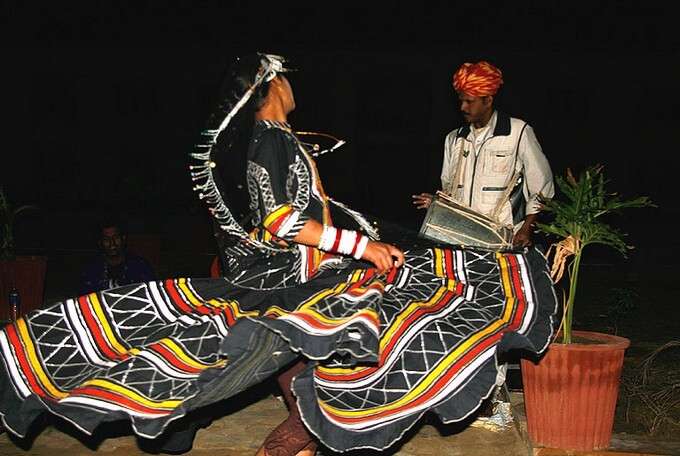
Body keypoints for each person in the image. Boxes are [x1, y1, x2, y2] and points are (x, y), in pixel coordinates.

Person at [0, 54, 556, 456]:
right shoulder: (268, 139)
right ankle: (293, 439)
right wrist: (363, 246)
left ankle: (295, 438)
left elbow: (292, 198)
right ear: (269, 86)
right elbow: (282, 221)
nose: (292, 82)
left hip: (302, 276)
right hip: (298, 277)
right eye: (283, 76)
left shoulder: (278, 138)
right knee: (357, 326)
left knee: (305, 351)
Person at [413, 60, 554, 248]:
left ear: (488, 100)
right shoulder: (454, 139)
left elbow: (542, 186)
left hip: (505, 238)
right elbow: (449, 190)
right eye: (461, 101)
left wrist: (527, 228)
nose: (463, 107)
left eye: (469, 101)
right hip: (460, 237)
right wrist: (436, 203)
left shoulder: (518, 132)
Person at [78, 217, 155, 295]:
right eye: (106, 240)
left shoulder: (139, 266)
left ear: (123, 238)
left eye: (116, 237)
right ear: (100, 242)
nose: (112, 243)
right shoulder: (92, 270)